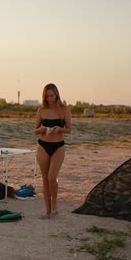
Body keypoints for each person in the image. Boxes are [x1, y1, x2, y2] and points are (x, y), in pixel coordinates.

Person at [33, 83, 72, 219]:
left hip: (58, 146)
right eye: (47, 96)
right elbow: (35, 130)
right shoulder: (41, 110)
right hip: (43, 145)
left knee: (51, 177)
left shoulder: (64, 109)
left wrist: (59, 129)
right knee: (44, 179)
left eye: (52, 95)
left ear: (56, 95)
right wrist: (42, 130)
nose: (49, 98)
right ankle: (47, 211)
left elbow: (69, 129)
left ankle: (55, 206)